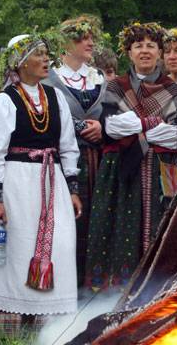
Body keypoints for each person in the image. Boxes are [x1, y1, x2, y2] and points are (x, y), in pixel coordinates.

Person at [0, 33, 82, 316]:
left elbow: (68, 145)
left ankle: (54, 316)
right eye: (38, 54)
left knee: (61, 243)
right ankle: (18, 315)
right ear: (21, 63)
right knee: (20, 243)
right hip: (17, 182)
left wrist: (73, 187)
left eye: (45, 53)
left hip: (53, 180)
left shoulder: (55, 96)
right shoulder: (5, 100)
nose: (45, 59)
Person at [85, 22, 177, 290]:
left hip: (161, 169)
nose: (145, 51)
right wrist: (152, 124)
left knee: (161, 229)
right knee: (118, 228)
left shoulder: (172, 89)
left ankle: (157, 290)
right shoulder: (116, 87)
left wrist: (135, 124)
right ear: (129, 52)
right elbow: (112, 127)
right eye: (138, 45)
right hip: (120, 171)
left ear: (160, 53)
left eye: (151, 45)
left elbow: (174, 135)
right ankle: (111, 294)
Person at [42, 14, 107, 284]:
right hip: (62, 160)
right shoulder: (50, 77)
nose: (90, 42)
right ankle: (65, 283)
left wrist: (101, 127)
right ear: (67, 42)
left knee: (97, 221)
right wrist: (78, 126)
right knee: (67, 221)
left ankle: (93, 284)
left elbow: (113, 113)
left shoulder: (99, 77)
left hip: (98, 159)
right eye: (83, 37)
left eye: (92, 37)